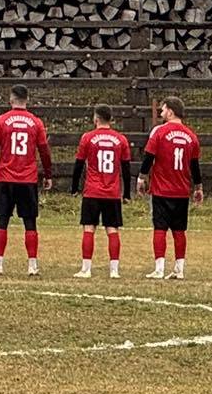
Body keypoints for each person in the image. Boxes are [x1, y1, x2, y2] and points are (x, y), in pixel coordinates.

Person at [0, 84, 51, 276]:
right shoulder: (35, 122)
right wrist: (48, 174)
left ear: (11, 99)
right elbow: (44, 150)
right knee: (30, 222)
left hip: (6, 177)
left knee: (2, 221)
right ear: (27, 100)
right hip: (28, 178)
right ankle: (32, 265)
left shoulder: (2, 121)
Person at [139, 97, 203, 280]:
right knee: (179, 230)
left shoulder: (159, 132)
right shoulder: (191, 136)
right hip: (181, 190)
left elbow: (148, 157)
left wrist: (142, 178)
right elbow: (195, 165)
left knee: (160, 228)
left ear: (171, 111)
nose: (161, 113)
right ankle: (179, 268)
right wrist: (198, 187)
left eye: (163, 109)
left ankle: (159, 268)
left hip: (161, 189)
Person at [71, 106, 133, 279]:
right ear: (111, 119)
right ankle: (114, 270)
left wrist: (74, 187)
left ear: (96, 119)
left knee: (89, 228)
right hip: (112, 192)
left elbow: (78, 165)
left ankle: (86, 268)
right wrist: (127, 193)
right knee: (112, 229)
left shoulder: (88, 138)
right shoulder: (121, 139)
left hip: (92, 191)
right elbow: (126, 169)